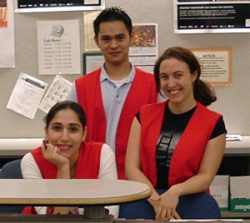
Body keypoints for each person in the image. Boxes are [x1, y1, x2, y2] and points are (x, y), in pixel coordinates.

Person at [125, 46, 227, 220]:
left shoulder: (213, 123)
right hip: (146, 200)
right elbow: (131, 168)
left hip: (192, 202)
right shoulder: (143, 115)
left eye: (178, 75)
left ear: (194, 75)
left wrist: (176, 191)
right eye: (164, 77)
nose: (171, 84)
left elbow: (206, 176)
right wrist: (156, 201)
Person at [67, 7, 158, 179]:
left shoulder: (154, 87)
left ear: (131, 38)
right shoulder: (80, 88)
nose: (114, 45)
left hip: (139, 184)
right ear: (97, 41)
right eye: (106, 39)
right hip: (91, 183)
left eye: (120, 37)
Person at [21, 100, 118, 217]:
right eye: (57, 128)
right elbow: (54, 220)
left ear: (84, 134)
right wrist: (63, 168)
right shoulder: (31, 161)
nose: (65, 137)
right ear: (46, 131)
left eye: (73, 129)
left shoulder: (103, 153)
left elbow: (110, 213)